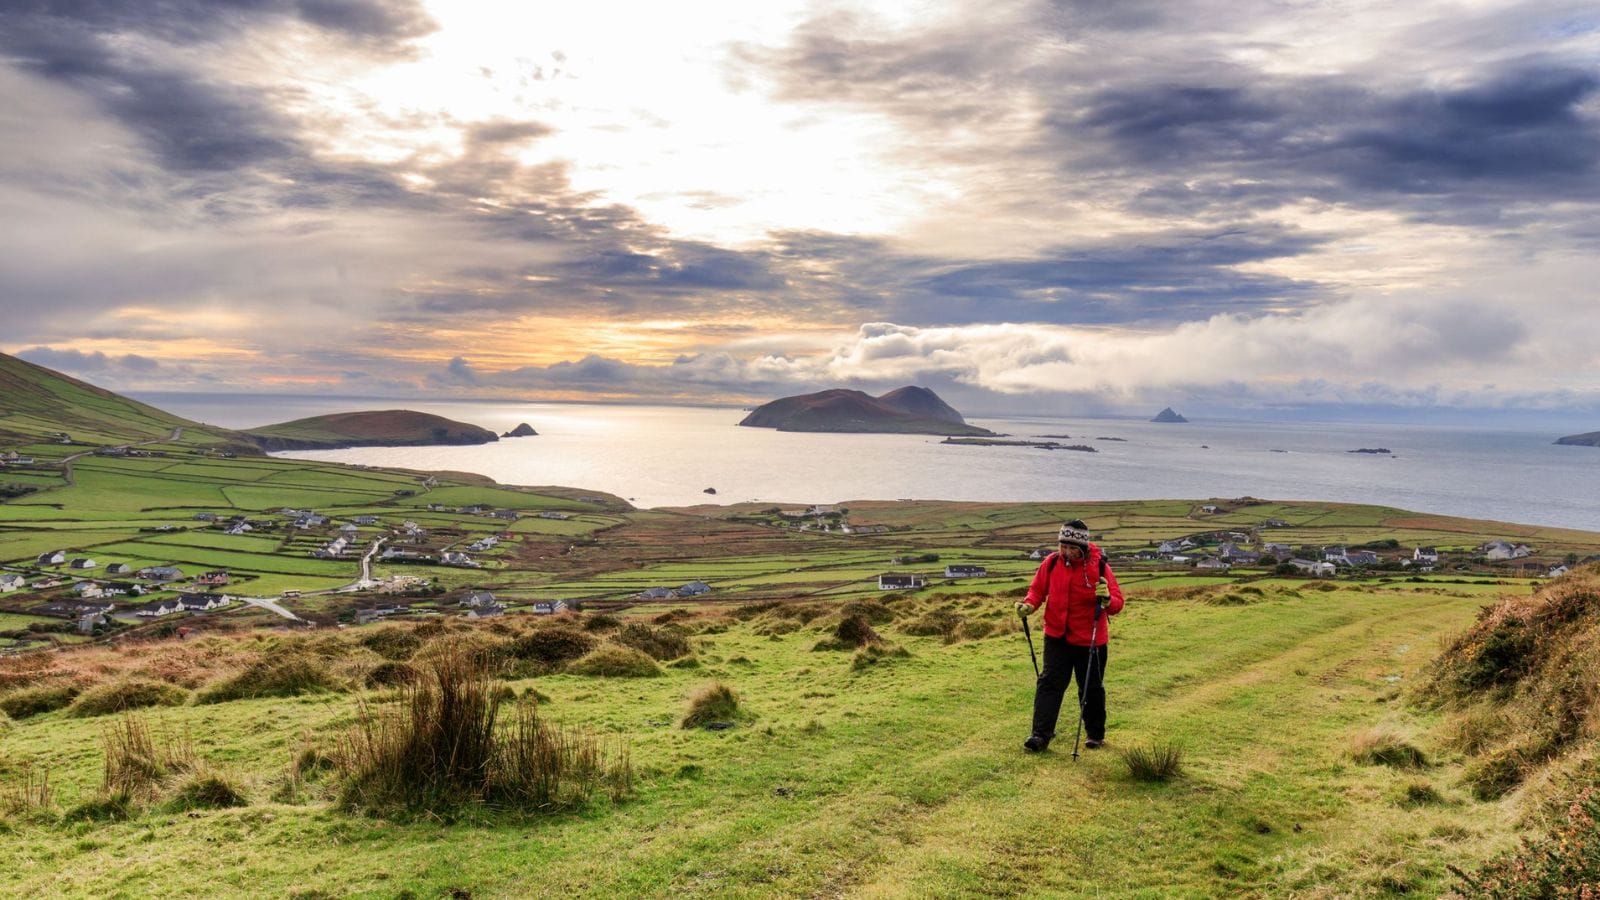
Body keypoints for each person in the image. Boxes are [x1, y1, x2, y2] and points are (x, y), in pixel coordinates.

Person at [1015, 519, 1124, 752]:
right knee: (1049, 684)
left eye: (1071, 547)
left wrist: (1107, 600)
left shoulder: (1100, 568)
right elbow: (1037, 590)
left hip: (1090, 639)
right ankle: (1040, 736)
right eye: (1062, 546)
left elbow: (1117, 604)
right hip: (1056, 636)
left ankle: (1095, 734)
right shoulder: (1051, 563)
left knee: (1091, 688)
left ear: (1082, 547)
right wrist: (1029, 605)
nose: (1065, 551)